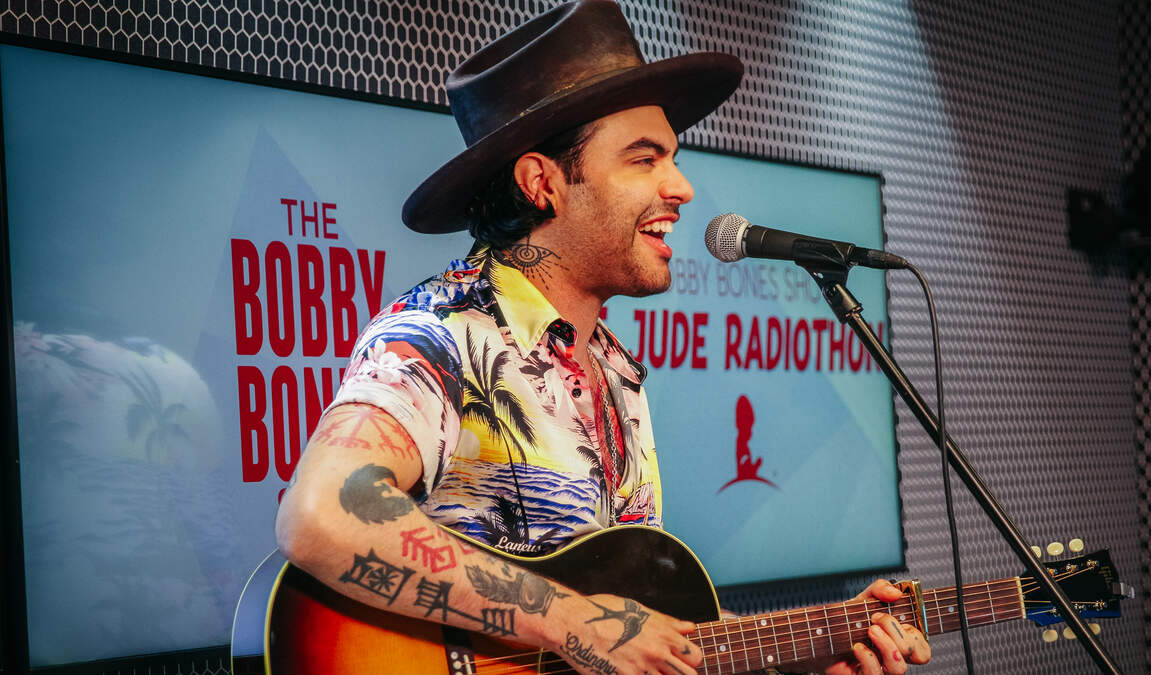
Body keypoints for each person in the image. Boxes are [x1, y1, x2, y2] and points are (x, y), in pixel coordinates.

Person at [275, 2, 932, 674]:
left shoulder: (613, 368)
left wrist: (811, 649)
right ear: (543, 183)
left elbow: (634, 630)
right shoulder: (442, 332)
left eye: (672, 159)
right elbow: (319, 513)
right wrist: (570, 621)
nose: (681, 188)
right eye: (644, 159)